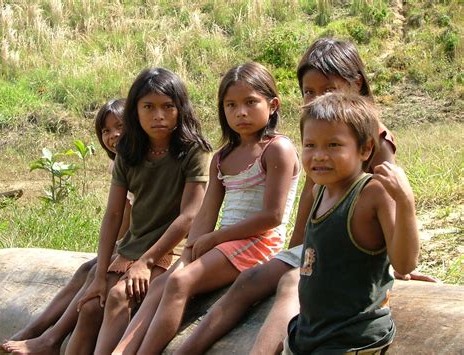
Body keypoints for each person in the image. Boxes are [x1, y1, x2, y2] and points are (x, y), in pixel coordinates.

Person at [175, 37, 436, 355]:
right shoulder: (319, 138)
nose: (315, 100)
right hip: (317, 248)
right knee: (250, 281)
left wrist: (401, 266)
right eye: (308, 92)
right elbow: (310, 198)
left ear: (355, 83)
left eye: (327, 90)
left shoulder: (372, 140)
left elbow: (391, 206)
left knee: (290, 284)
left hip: (352, 253)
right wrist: (295, 249)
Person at [2, 67, 212, 355]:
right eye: (148, 107)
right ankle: (50, 342)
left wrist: (146, 262)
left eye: (167, 107)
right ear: (135, 112)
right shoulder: (129, 151)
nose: (158, 115)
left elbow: (189, 216)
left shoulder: (192, 151)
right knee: (89, 307)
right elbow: (113, 215)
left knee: (117, 297)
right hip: (130, 249)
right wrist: (100, 274)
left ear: (181, 109)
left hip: (169, 250)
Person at [111, 62, 300, 355]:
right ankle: (121, 351)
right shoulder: (223, 157)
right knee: (161, 283)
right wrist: (190, 248)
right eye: (231, 105)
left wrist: (213, 240)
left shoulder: (277, 148)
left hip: (260, 244)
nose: (241, 112)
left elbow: (272, 217)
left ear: (273, 105)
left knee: (179, 282)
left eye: (251, 102)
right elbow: (207, 213)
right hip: (225, 242)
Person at [0, 98, 132, 353]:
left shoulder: (143, 164)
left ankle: (50, 339)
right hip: (132, 242)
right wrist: (112, 251)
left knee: (93, 278)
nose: (114, 135)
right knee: (85, 270)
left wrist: (118, 255)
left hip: (147, 245)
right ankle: (33, 331)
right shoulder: (118, 164)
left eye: (120, 126)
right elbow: (122, 215)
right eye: (106, 131)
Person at [284, 92, 420, 354]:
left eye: (333, 145)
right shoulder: (319, 191)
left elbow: (405, 263)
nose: (319, 155)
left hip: (351, 337)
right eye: (310, 145)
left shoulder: (372, 193)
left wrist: (405, 202)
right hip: (311, 331)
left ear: (366, 148)